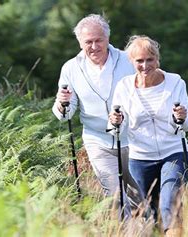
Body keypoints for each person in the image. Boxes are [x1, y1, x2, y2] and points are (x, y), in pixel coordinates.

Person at [52, 14, 142, 218]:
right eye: (88, 42)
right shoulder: (71, 68)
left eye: (98, 40)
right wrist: (61, 103)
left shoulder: (128, 60)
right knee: (116, 197)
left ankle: (152, 228)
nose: (94, 46)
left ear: (107, 38)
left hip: (134, 139)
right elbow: (65, 113)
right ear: (80, 43)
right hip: (98, 141)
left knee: (141, 197)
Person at [108, 35, 188, 235]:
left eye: (149, 60)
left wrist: (180, 117)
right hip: (140, 157)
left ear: (157, 59)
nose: (145, 65)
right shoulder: (124, 87)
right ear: (132, 62)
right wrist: (115, 122)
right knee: (147, 212)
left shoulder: (175, 82)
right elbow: (114, 128)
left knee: (169, 204)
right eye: (139, 61)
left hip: (174, 153)